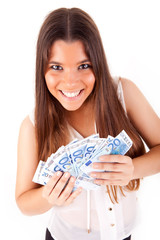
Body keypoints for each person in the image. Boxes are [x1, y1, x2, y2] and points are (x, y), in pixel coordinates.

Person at [15, 7, 160, 240]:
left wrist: (133, 169)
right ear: (41, 69)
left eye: (83, 66)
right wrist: (48, 197)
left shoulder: (124, 94)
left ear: (98, 64)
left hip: (123, 234)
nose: (70, 82)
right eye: (56, 67)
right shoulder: (33, 126)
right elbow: (23, 201)